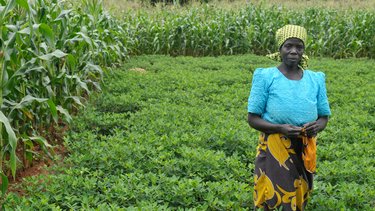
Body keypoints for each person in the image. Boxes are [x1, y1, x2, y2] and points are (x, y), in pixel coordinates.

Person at [247, 25, 331, 210]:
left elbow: (323, 117)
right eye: (288, 46)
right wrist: (280, 128)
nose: (294, 51)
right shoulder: (265, 76)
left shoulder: (316, 79)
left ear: (304, 50)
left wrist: (317, 126)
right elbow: (253, 118)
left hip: (304, 146)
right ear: (280, 49)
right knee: (272, 196)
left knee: (299, 194)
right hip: (274, 148)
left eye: (299, 47)